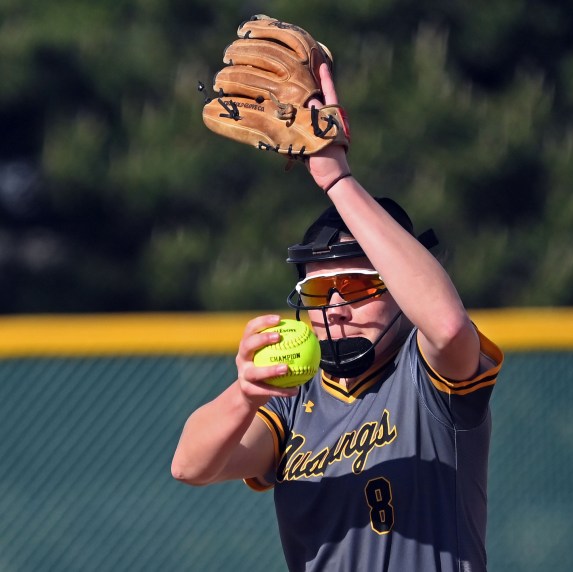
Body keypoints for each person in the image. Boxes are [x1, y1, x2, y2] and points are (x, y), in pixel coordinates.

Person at [171, 63, 504, 572]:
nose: (334, 306)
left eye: (352, 285)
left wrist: (337, 179)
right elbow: (189, 466)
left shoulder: (427, 376)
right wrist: (244, 393)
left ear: (398, 287)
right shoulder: (295, 399)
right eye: (319, 288)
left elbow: (448, 325)